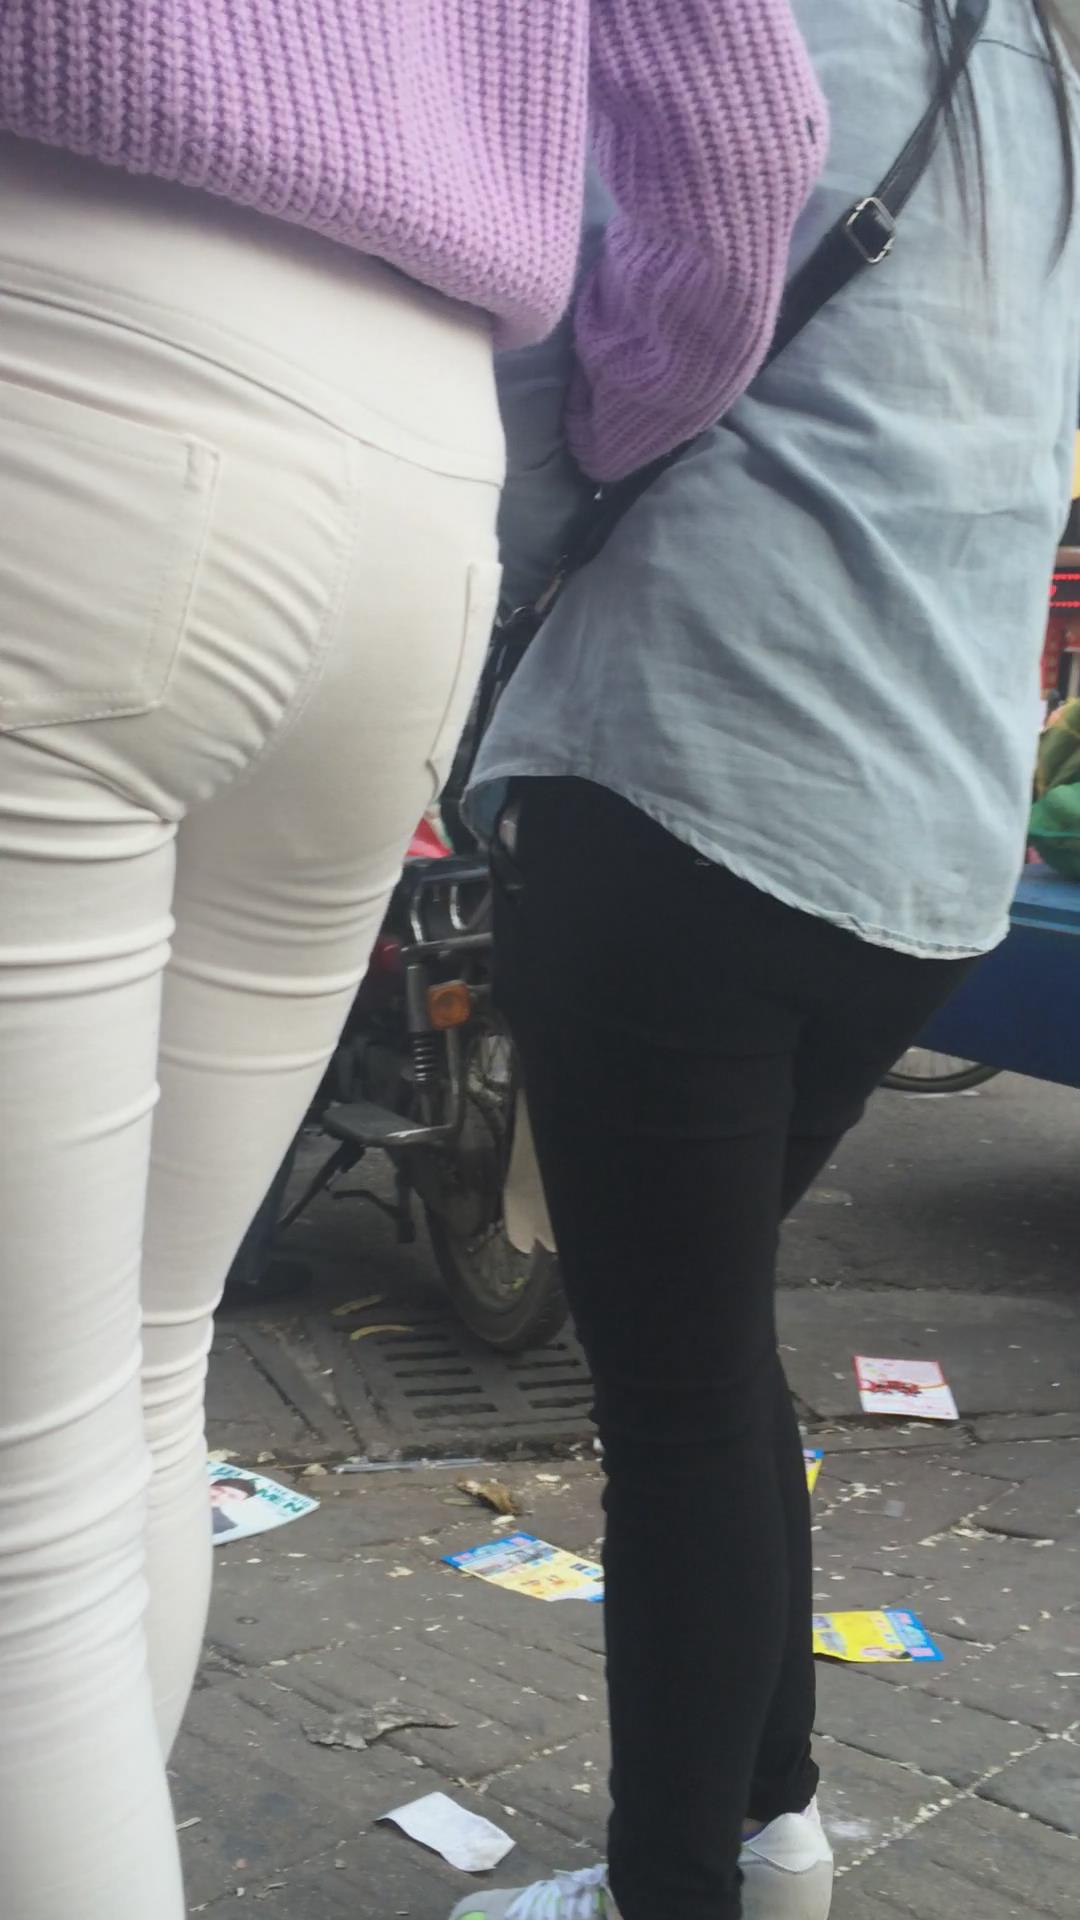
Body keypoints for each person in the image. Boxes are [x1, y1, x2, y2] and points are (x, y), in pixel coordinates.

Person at [0, 7, 827, 1917]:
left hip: (56, 356)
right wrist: (599, 427)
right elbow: (744, 132)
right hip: (415, 461)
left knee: (30, 1479)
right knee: (138, 1376)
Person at [460, 5, 1080, 1920]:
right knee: (713, 1358)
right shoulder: (1035, 60)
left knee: (674, 1399)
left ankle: (674, 1893)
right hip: (930, 836)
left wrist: (510, 551)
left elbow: (572, 324)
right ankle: (773, 1826)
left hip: (693, 755)